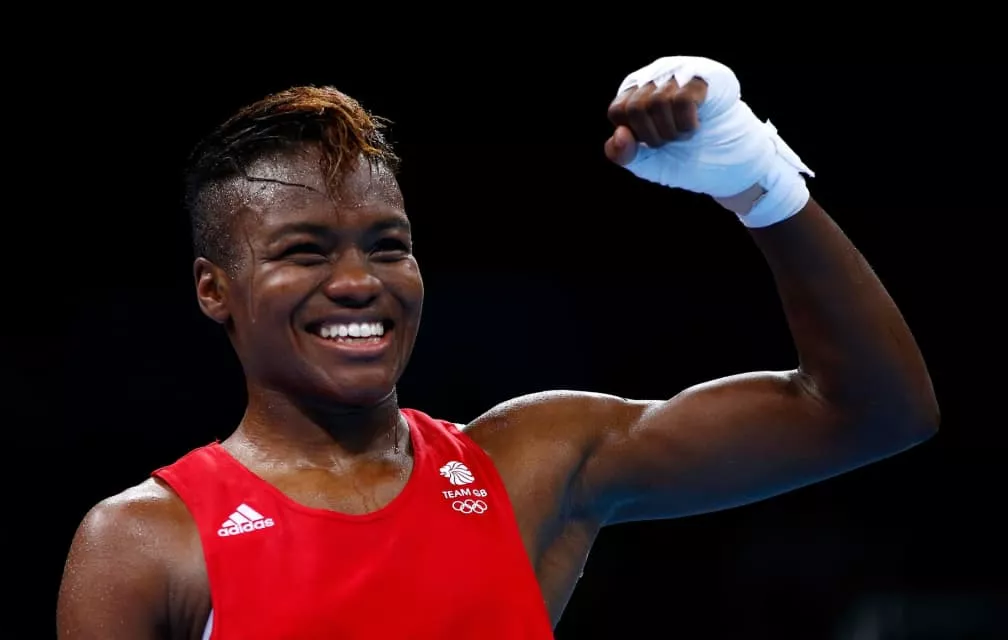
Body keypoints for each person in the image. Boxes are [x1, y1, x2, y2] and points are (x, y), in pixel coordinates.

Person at [56, 56, 939, 639]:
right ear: (214, 289)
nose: (360, 281)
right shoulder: (144, 543)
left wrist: (757, 181)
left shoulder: (528, 466)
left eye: (388, 245)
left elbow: (875, 413)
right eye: (306, 251)